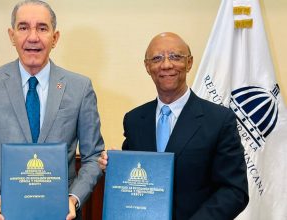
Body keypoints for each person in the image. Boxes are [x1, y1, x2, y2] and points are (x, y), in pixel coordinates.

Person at [0, 1, 104, 219]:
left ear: (55, 38)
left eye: (42, 28)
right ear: (11, 35)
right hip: (3, 214)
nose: (33, 37)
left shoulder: (80, 87)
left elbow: (93, 157)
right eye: (23, 27)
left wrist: (73, 199)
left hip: (60, 214)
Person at [98, 32, 249, 220]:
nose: (166, 64)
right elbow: (136, 181)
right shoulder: (135, 119)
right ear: (147, 66)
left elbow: (234, 191)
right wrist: (113, 166)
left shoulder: (219, 120)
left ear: (189, 63)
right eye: (157, 58)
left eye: (175, 57)